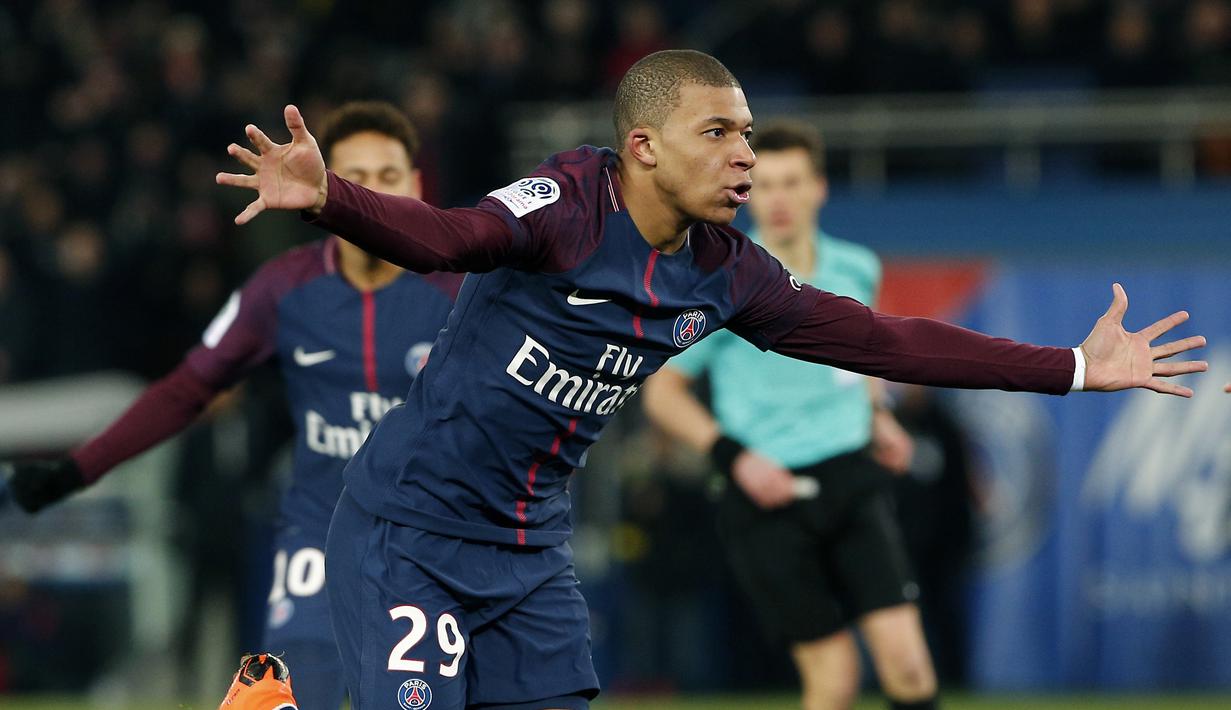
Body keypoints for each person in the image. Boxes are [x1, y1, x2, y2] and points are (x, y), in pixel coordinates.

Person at [215, 50, 1205, 710]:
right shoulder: (566, 200)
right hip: (408, 530)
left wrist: (1076, 367)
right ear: (642, 147)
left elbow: (886, 342)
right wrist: (332, 199)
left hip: (526, 553)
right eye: (719, 134)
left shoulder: (730, 271)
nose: (745, 155)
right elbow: (456, 233)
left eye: (748, 134)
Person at [2, 101, 462, 710]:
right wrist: (78, 468)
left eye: (389, 176)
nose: (374, 193)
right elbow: (186, 389)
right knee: (284, 701)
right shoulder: (283, 288)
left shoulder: (462, 292)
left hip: (426, 545)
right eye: (357, 177)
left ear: (418, 185)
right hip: (316, 542)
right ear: (326, 184)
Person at [640, 121, 936, 710]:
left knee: (908, 668)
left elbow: (855, 358)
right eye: (761, 183)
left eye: (790, 182)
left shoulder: (856, 268)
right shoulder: (719, 282)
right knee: (834, 680)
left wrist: (877, 414)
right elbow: (662, 395)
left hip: (851, 477)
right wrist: (738, 460)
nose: (775, 198)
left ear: (818, 188)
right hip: (765, 497)